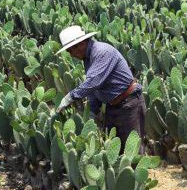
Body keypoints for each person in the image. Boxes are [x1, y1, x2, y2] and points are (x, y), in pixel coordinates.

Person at [56, 25, 145, 153]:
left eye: (70, 51)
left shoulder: (102, 52)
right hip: (113, 107)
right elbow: (95, 89)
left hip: (129, 105)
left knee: (132, 152)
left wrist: (70, 97)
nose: (71, 55)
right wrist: (92, 110)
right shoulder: (88, 58)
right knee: (114, 151)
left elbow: (93, 83)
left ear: (79, 45)